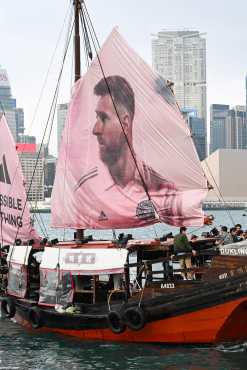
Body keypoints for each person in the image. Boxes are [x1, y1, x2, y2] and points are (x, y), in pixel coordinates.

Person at [74, 75, 205, 227]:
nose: (95, 129)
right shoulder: (84, 187)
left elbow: (182, 211)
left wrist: (198, 218)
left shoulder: (163, 189)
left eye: (103, 118)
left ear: (125, 122)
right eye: (97, 118)